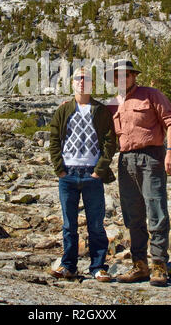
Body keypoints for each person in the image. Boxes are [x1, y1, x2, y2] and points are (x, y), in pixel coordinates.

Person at [106, 59, 171, 287]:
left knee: (156, 210)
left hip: (152, 158)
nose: (121, 79)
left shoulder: (151, 94)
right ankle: (140, 264)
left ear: (133, 76)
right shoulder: (111, 103)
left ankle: (159, 265)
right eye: (117, 76)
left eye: (125, 75)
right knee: (132, 215)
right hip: (126, 161)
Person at [49, 66, 116, 282]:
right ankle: (69, 265)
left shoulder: (101, 110)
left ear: (91, 84)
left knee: (95, 224)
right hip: (67, 174)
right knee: (69, 224)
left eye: (86, 78)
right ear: (72, 83)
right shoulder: (64, 110)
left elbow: (109, 142)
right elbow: (53, 140)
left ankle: (98, 267)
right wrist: (59, 168)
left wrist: (99, 170)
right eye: (78, 78)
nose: (81, 82)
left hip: (91, 174)